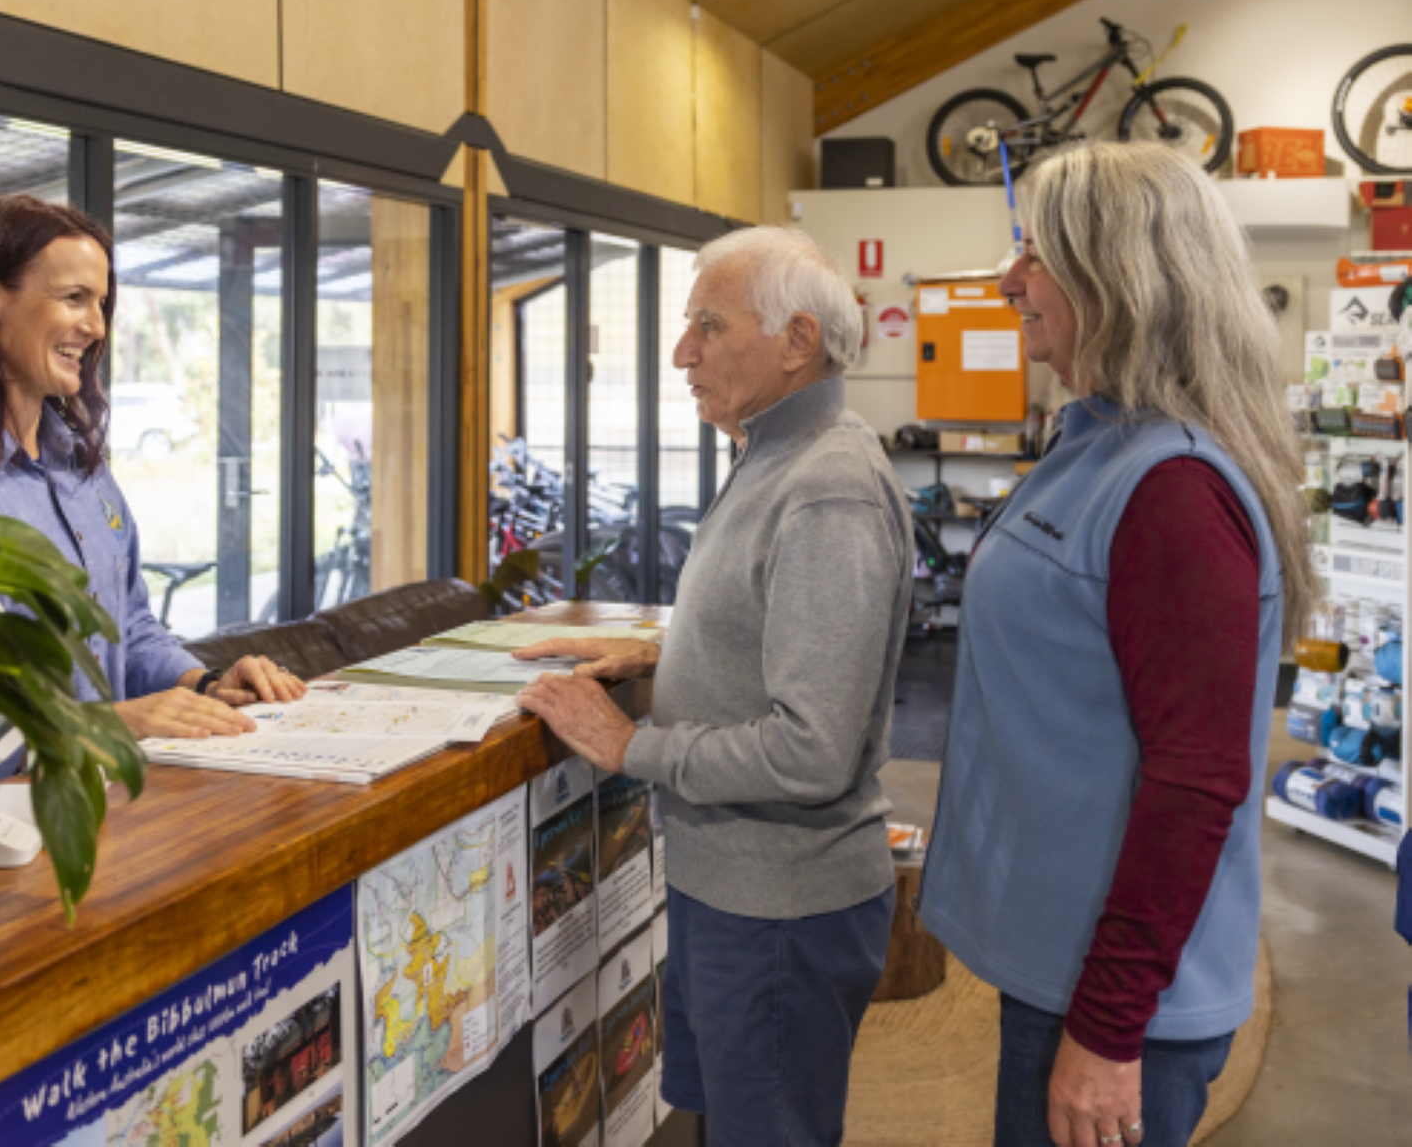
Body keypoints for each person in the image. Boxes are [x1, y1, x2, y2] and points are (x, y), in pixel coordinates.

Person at [918, 142, 1316, 1147]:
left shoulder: (1172, 489)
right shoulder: (1095, 441)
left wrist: (1107, 1028)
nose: (1008, 281)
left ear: (1120, 278)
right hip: (1058, 957)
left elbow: (1196, 779)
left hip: (1111, 997)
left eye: (1035, 254)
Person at [514, 226, 913, 1145]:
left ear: (796, 341)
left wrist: (630, 746)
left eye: (708, 325)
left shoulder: (825, 486)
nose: (680, 354)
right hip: (734, 893)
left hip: (780, 909)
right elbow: (777, 630)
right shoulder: (772, 453)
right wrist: (664, 660)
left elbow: (810, 751)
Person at [0, 195, 305, 780]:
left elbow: (131, 629)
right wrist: (112, 724)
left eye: (100, 303)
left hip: (111, 809)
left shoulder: (83, 469)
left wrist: (205, 685)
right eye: (73, 298)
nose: (96, 326)